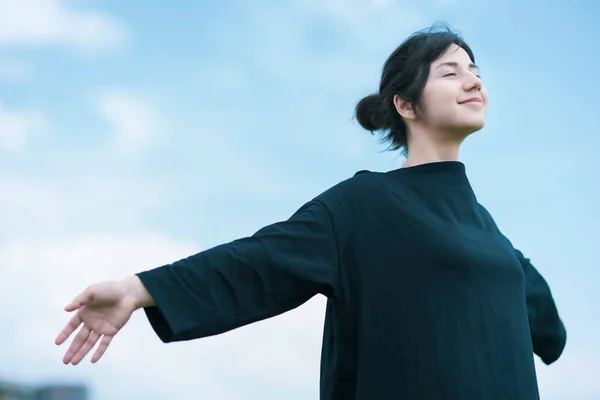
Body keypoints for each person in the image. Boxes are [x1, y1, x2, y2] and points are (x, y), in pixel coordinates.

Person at [55, 25, 567, 399]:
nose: (474, 82)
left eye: (476, 72)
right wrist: (141, 288)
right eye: (452, 72)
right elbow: (259, 260)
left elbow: (551, 335)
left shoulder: (494, 239)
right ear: (405, 105)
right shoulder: (365, 207)